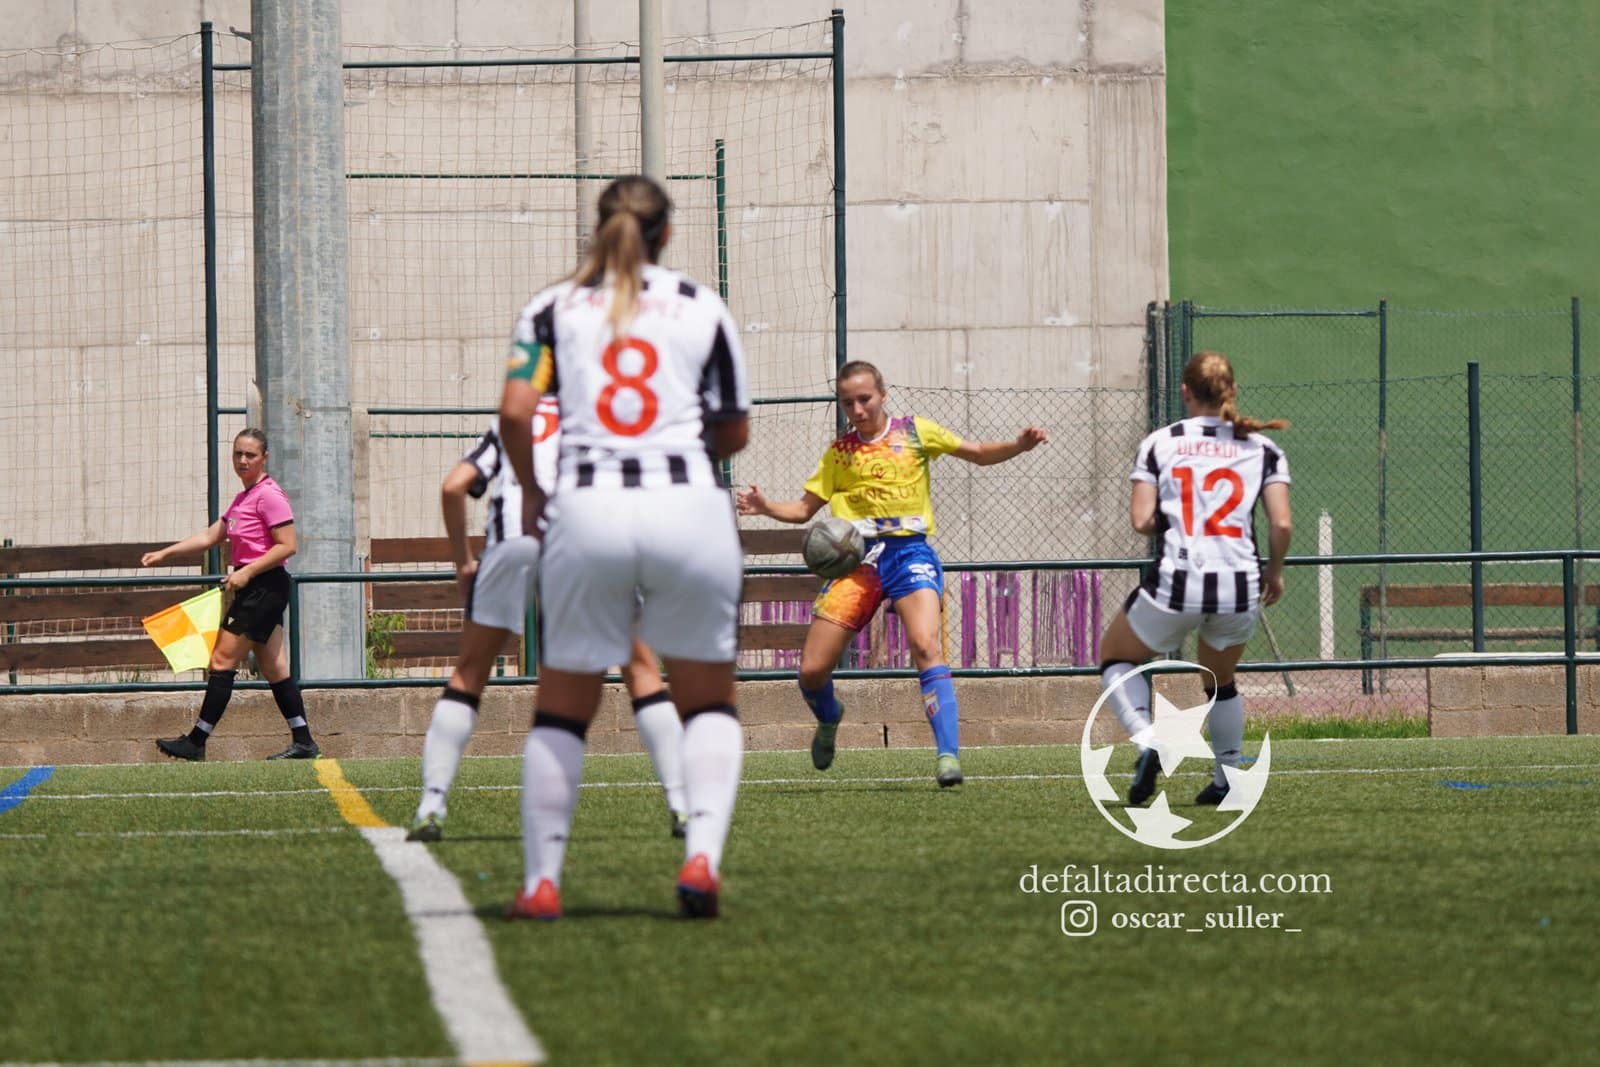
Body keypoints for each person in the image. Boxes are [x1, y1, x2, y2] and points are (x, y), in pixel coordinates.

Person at [499, 174, 750, 920]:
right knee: (707, 699)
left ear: (598, 228)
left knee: (562, 708)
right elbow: (734, 427)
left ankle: (543, 881)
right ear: (667, 234)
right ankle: (701, 857)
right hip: (690, 509)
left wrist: (534, 489)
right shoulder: (703, 305)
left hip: (588, 508)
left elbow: (516, 411)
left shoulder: (549, 308)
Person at [735, 362, 1049, 788]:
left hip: (909, 554)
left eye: (864, 399)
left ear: (882, 394)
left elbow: (976, 454)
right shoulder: (840, 453)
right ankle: (829, 719)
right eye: (848, 403)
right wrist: (766, 506)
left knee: (925, 644)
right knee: (811, 671)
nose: (858, 409)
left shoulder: (915, 432)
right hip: (856, 565)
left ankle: (947, 756)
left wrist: (1018, 446)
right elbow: (804, 511)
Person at [406, 399, 689, 842]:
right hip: (586, 543)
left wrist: (463, 562)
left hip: (513, 541)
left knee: (470, 672)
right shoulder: (601, 414)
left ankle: (431, 804)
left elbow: (453, 487)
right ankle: (682, 804)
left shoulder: (513, 417)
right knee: (640, 668)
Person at [1096, 350, 1292, 807]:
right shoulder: (1263, 449)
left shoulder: (1160, 443)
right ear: (1233, 391)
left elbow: (1142, 521)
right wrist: (1276, 573)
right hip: (1240, 584)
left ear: (1185, 392)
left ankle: (1147, 740)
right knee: (1221, 681)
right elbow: (1281, 525)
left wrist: (1184, 515)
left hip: (1180, 581)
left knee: (1115, 657)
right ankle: (1225, 782)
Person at [144, 429, 320, 761]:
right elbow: (213, 534)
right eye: (238, 454)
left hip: (263, 587)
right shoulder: (243, 497)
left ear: (264, 457)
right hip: (255, 587)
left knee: (221, 661)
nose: (242, 460)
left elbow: (288, 545)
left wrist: (247, 571)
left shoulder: (269, 495)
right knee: (274, 666)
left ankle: (196, 741)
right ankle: (304, 740)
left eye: (250, 455)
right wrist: (166, 553)